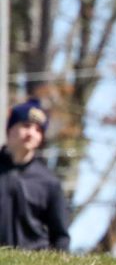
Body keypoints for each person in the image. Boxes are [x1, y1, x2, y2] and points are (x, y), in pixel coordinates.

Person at [0, 99, 71, 251]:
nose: (31, 133)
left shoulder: (49, 182)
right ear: (10, 129)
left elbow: (60, 237)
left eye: (38, 130)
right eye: (26, 126)